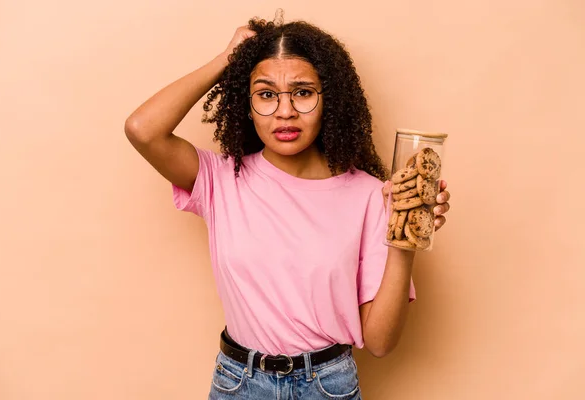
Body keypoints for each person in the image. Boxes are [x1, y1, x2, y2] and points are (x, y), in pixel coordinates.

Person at [124, 15, 451, 400]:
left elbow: (379, 342)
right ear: (246, 105)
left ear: (329, 100)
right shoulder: (222, 179)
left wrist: (404, 236)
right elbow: (142, 128)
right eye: (266, 94)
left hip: (328, 386)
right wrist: (228, 59)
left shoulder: (369, 195)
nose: (285, 111)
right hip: (238, 384)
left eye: (303, 92)